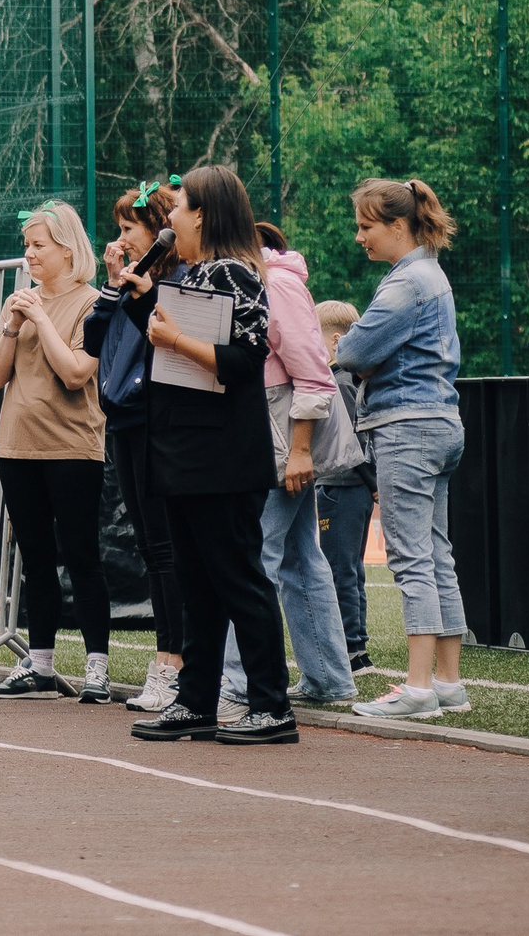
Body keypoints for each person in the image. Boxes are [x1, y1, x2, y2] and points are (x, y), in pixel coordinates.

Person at [130, 165, 295, 746]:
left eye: (178, 208)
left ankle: (272, 707)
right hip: (187, 452)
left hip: (221, 457)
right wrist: (141, 303)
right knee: (198, 585)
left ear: (202, 214)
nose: (168, 219)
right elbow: (170, 358)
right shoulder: (199, 272)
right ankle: (195, 701)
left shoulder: (237, 273)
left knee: (238, 579)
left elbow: (243, 361)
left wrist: (172, 336)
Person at [339, 177, 470, 723]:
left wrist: (360, 357)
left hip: (407, 428)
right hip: (440, 423)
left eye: (367, 227)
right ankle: (447, 683)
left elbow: (351, 348)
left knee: (413, 558)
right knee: (437, 554)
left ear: (398, 226)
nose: (359, 237)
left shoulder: (404, 283)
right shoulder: (429, 275)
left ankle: (417, 689)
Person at [219, 223, 357, 712]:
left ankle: (235, 686)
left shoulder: (277, 283)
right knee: (301, 559)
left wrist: (300, 450)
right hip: (275, 431)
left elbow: (314, 374)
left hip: (283, 435)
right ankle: (328, 678)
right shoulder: (259, 280)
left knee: (255, 556)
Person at [0, 200, 114, 703]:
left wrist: (40, 315)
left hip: (72, 445)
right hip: (16, 444)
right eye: (27, 246)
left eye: (38, 246)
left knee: (82, 556)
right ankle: (39, 666)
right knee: (34, 558)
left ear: (67, 249)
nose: (29, 255)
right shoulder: (17, 304)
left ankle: (96, 669)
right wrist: (15, 325)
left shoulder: (93, 302)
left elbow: (77, 372)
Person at [94, 181, 182, 712]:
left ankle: (174, 662)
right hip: (123, 418)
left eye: (129, 229)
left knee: (167, 548)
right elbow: (94, 338)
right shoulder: (130, 283)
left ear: (157, 232)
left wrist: (145, 290)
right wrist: (114, 284)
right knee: (151, 548)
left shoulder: (175, 283)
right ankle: (168, 655)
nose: (120, 240)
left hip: (157, 420)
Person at [310, 299, 375, 679]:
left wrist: (373, 485)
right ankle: (357, 647)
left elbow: (353, 444)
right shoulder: (352, 382)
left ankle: (350, 649)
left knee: (340, 571)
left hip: (340, 488)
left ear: (335, 342)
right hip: (353, 489)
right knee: (350, 569)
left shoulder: (339, 382)